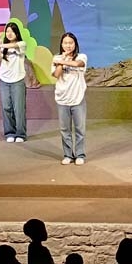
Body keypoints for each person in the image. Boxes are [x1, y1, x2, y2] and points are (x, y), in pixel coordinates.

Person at [52, 32, 88, 165]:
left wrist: (61, 61)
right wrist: (62, 59)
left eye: (70, 43)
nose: (68, 45)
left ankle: (80, 155)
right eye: (65, 43)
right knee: (65, 130)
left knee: (80, 129)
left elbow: (79, 64)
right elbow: (56, 74)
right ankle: (68, 155)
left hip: (77, 99)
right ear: (61, 44)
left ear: (75, 44)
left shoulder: (81, 56)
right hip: (62, 99)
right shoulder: (56, 58)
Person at [0, 21, 28, 143]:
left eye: (12, 31)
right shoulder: (3, 47)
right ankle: (10, 132)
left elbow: (14, 45)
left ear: (17, 33)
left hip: (17, 81)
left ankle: (20, 134)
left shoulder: (21, 44)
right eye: (7, 31)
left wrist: (0, 45)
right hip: (4, 81)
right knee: (6, 107)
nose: (9, 33)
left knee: (19, 108)